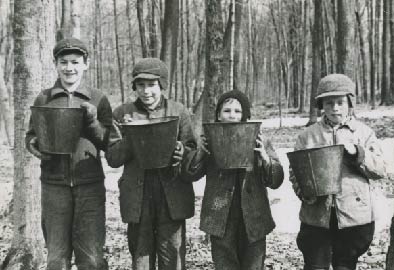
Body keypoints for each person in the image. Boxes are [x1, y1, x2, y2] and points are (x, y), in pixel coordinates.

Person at [25, 37, 111, 270]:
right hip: (54, 186)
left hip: (90, 185)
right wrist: (33, 143)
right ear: (56, 64)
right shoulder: (44, 98)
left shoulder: (98, 98)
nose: (69, 68)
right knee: (56, 257)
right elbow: (32, 134)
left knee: (91, 257)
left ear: (86, 64)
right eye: (63, 62)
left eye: (75, 62)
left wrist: (93, 121)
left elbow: (109, 143)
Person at [105, 58, 197, 270]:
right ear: (134, 87)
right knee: (141, 256)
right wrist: (133, 136)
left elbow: (192, 151)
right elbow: (113, 157)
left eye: (152, 85)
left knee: (173, 256)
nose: (146, 91)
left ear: (162, 85)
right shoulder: (122, 114)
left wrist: (182, 152)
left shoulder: (178, 111)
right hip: (138, 196)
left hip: (172, 195)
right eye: (141, 85)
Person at [290, 74, 386, 270]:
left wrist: (358, 153)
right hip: (317, 216)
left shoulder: (363, 133)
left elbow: (380, 169)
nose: (335, 108)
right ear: (321, 105)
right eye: (329, 102)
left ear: (349, 103)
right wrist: (304, 193)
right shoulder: (307, 136)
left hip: (354, 217)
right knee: (315, 265)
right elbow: (295, 173)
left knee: (345, 265)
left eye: (340, 102)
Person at [183, 90, 284, 270]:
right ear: (219, 115)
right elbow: (190, 174)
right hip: (220, 214)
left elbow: (276, 180)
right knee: (225, 264)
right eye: (227, 110)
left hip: (254, 216)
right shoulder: (210, 139)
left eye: (237, 111)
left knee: (253, 264)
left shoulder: (259, 139)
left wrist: (264, 158)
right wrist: (200, 154)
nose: (232, 115)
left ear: (245, 115)